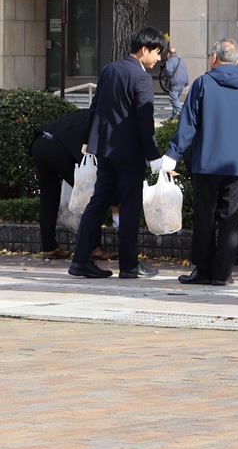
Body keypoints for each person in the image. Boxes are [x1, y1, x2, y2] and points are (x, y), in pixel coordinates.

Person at [162, 38, 238, 287]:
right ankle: (223, 273)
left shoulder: (204, 82)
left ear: (215, 58)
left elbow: (189, 122)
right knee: (230, 218)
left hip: (206, 160)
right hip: (237, 162)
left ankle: (203, 269)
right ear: (237, 61)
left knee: (204, 217)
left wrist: (173, 153)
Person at [69, 26, 167, 280]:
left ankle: (80, 260)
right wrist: (154, 156)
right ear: (144, 49)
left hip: (104, 149)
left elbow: (95, 106)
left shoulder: (109, 69)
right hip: (130, 153)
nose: (159, 59)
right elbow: (145, 121)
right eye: (157, 53)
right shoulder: (142, 78)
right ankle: (129, 265)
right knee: (130, 206)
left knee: (98, 202)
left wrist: (88, 141)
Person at [32, 109, 116, 261]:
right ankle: (93, 247)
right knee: (90, 195)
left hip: (40, 143)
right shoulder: (107, 122)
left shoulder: (89, 113)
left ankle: (49, 247)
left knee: (48, 197)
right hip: (58, 149)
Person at [162, 46, 189, 118]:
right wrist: (186, 83)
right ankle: (174, 117)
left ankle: (183, 112)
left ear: (168, 54)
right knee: (177, 99)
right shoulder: (181, 61)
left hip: (174, 83)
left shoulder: (169, 61)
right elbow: (186, 72)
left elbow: (168, 72)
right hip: (182, 83)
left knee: (174, 100)